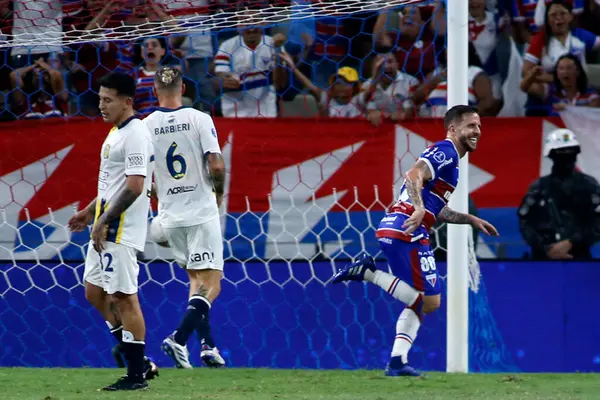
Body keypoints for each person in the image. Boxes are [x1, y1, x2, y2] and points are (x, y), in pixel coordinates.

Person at [331, 105, 499, 377]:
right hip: (408, 229)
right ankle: (369, 272)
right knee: (429, 302)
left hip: (400, 227)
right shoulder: (444, 151)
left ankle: (397, 361)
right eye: (470, 126)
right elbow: (413, 175)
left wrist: (469, 219)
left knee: (423, 302)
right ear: (453, 129)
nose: (477, 131)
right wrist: (419, 208)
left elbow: (437, 209)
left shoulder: (451, 160)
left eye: (479, 126)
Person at [67, 72, 157, 390]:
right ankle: (141, 361)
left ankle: (136, 375)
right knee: (94, 292)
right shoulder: (115, 132)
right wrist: (90, 212)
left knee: (123, 298)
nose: (101, 105)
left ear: (127, 101)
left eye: (108, 100)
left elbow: (134, 185)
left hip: (118, 229)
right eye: (100, 99)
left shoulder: (135, 133)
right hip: (103, 226)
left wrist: (104, 219)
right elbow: (113, 184)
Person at [144, 66, 227, 368]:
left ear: (154, 90)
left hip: (168, 218)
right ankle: (177, 339)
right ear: (183, 90)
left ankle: (208, 346)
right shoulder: (199, 118)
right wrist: (218, 194)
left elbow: (142, 177)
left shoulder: (146, 124)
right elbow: (216, 166)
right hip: (199, 212)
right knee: (213, 282)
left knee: (196, 280)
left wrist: (157, 191)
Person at [518, 129, 600, 259]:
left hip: (581, 260)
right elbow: (525, 221)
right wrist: (546, 248)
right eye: (561, 154)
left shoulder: (589, 185)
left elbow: (597, 222)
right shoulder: (539, 187)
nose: (567, 159)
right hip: (542, 260)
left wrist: (572, 242)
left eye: (570, 153)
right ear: (551, 155)